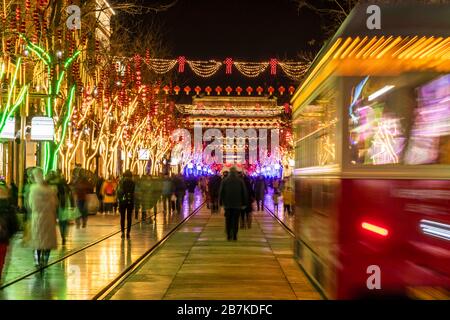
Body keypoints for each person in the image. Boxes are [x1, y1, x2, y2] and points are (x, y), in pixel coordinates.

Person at [28, 168, 58, 268]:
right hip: (49, 217)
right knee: (47, 240)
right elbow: (55, 204)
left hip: (37, 217)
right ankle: (45, 259)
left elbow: (31, 204)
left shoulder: (34, 190)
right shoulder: (50, 190)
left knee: (38, 239)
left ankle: (37, 260)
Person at [219, 167, 248, 241]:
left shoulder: (225, 180)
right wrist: (244, 203)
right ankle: (235, 235)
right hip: (237, 205)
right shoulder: (240, 181)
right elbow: (244, 193)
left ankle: (229, 235)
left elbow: (221, 192)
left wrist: (220, 202)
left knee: (228, 220)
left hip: (227, 205)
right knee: (235, 220)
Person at [0, 179, 19, 282]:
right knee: (1, 259)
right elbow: (14, 224)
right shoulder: (9, 207)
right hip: (3, 239)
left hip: (3, 238)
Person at [117, 171, 135, 239]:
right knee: (129, 218)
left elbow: (118, 192)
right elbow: (134, 192)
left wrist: (119, 199)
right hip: (130, 201)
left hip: (122, 201)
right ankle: (128, 233)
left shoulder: (121, 182)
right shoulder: (133, 182)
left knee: (122, 217)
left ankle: (122, 232)